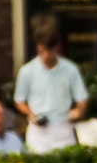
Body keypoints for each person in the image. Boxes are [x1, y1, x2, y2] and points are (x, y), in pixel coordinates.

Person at [13, 19, 91, 151]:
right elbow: (19, 101)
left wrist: (78, 111)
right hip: (38, 131)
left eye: (48, 51)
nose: (45, 56)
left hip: (63, 129)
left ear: (56, 48)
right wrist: (31, 114)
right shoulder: (27, 71)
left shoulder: (70, 69)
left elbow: (82, 98)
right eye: (41, 51)